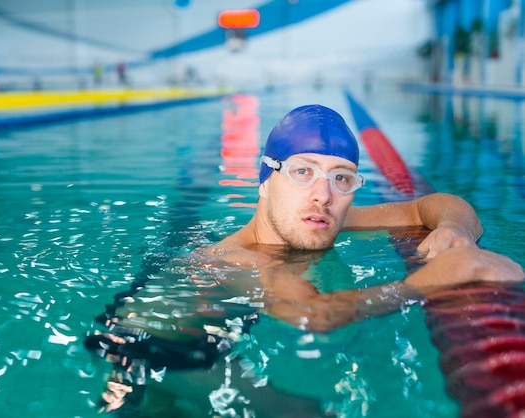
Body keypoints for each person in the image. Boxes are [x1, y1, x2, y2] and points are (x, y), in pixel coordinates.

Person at [85, 104, 524, 415]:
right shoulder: (245, 259)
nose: (323, 194)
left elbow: (431, 205)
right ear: (265, 180)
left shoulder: (316, 215)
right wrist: (432, 281)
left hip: (203, 338)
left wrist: (457, 230)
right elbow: (313, 315)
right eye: (302, 171)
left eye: (341, 178)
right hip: (150, 360)